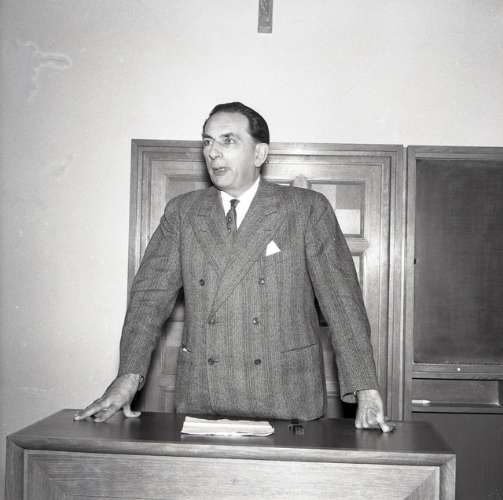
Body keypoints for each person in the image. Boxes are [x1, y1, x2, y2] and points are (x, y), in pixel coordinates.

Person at [75, 102, 393, 432]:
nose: (212, 152)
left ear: (259, 153)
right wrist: (128, 376)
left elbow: (342, 304)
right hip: (204, 398)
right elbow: (148, 300)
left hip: (288, 399)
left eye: (227, 140)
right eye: (207, 141)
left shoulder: (306, 210)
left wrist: (365, 389)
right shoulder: (183, 213)